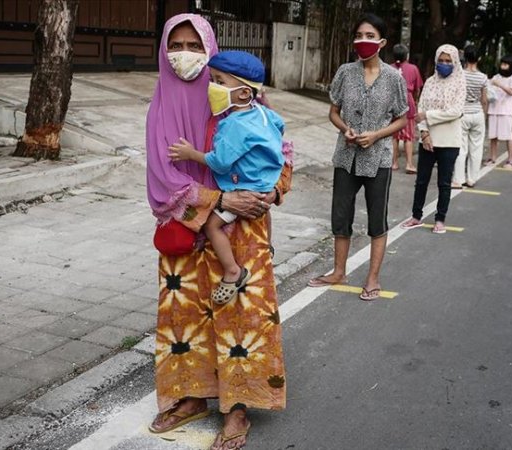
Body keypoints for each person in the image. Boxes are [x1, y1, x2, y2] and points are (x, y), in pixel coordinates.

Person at [146, 14, 293, 450]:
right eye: (178, 44)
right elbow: (161, 178)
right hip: (188, 230)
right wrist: (219, 201)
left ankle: (238, 408)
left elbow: (282, 159)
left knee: (242, 321)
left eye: (195, 44)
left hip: (246, 231)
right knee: (184, 319)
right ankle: (192, 397)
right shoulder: (160, 109)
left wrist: (270, 193)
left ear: (210, 49)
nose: (185, 54)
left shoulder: (243, 103)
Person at [167, 50, 285, 305]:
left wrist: (190, 154)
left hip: (244, 188)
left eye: (220, 82)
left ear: (244, 92)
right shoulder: (264, 113)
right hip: (267, 183)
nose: (213, 87)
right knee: (264, 211)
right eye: (213, 80)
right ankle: (268, 247)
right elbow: (280, 126)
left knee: (212, 226)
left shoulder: (235, 124)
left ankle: (232, 270)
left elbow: (219, 163)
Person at [307, 13, 408, 301]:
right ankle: (339, 271)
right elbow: (333, 112)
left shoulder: (393, 79)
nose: (364, 41)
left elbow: (402, 119)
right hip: (346, 156)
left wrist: (376, 134)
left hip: (378, 159)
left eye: (370, 36)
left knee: (377, 219)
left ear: (382, 42)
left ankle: (373, 278)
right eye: (360, 36)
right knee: (341, 216)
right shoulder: (344, 73)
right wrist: (346, 129)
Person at [400, 43, 466, 234]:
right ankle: (416, 216)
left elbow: (455, 112)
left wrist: (428, 115)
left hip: (449, 141)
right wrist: (424, 133)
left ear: (454, 62)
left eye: (448, 61)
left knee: (444, 183)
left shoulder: (460, 82)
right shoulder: (430, 81)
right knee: (421, 181)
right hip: (427, 140)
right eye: (441, 60)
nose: (444, 64)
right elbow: (420, 109)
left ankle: (440, 219)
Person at [451, 44, 488, 189]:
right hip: (478, 113)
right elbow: (484, 99)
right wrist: (484, 115)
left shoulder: (459, 75)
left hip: (462, 114)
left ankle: (458, 179)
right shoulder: (483, 77)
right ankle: (472, 178)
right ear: (479, 58)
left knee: (461, 148)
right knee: (476, 148)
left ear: (464, 58)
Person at [390, 43, 423, 174]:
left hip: (392, 103)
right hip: (407, 102)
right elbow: (417, 88)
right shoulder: (413, 68)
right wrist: (415, 100)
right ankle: (409, 164)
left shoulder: (389, 68)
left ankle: (394, 163)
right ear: (406, 56)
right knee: (408, 136)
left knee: (394, 136)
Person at [486, 56, 512, 167]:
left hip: (506, 111)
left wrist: (499, 84)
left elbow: (511, 92)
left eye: (506, 64)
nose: (503, 66)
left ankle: (510, 159)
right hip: (494, 109)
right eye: (502, 64)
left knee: (508, 136)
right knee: (493, 136)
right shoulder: (496, 77)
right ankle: (492, 157)